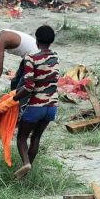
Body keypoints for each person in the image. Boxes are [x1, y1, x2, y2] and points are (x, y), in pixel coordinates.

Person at [12, 25, 59, 180]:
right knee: (36, 137)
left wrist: (14, 98)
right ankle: (26, 174)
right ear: (51, 41)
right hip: (51, 107)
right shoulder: (55, 57)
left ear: (36, 39)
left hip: (36, 106)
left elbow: (29, 86)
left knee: (21, 138)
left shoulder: (31, 58)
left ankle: (26, 163)